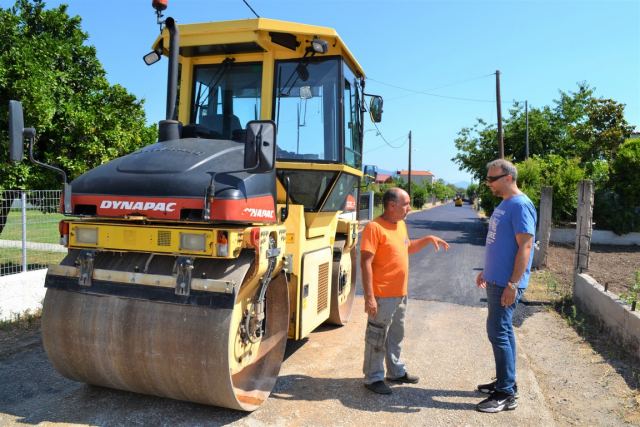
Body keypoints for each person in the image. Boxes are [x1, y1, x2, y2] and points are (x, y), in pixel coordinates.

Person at [360, 187, 449, 395]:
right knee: (377, 335)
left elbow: (407, 248)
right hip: (382, 295)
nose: (409, 207)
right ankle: (373, 378)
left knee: (396, 335)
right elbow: (365, 263)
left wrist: (428, 239)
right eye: (406, 204)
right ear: (392, 206)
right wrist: (369, 297)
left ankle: (395, 371)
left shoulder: (400, 224)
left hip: (400, 293)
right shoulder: (374, 228)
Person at [475, 159, 537, 413]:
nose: (489, 183)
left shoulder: (521, 205)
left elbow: (526, 246)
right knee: (504, 331)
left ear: (509, 178)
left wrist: (513, 283)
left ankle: (505, 394)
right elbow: (499, 243)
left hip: (506, 284)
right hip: (497, 279)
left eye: (493, 179)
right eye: (488, 179)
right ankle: (506, 382)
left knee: (498, 332)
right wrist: (486, 271)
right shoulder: (504, 204)